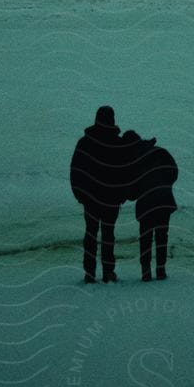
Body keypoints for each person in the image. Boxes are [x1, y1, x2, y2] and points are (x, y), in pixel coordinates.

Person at [69, 105, 131, 282]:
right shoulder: (118, 143)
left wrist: (80, 195)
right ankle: (108, 272)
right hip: (111, 199)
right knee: (108, 236)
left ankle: (90, 272)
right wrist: (123, 194)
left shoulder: (85, 142)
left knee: (91, 234)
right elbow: (126, 172)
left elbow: (76, 171)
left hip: (91, 199)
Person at [119, 131, 178, 281]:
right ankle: (161, 270)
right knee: (162, 236)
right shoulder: (160, 151)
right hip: (164, 200)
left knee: (145, 237)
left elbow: (131, 191)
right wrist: (165, 185)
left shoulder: (132, 160)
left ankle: (146, 272)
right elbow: (173, 171)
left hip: (146, 203)